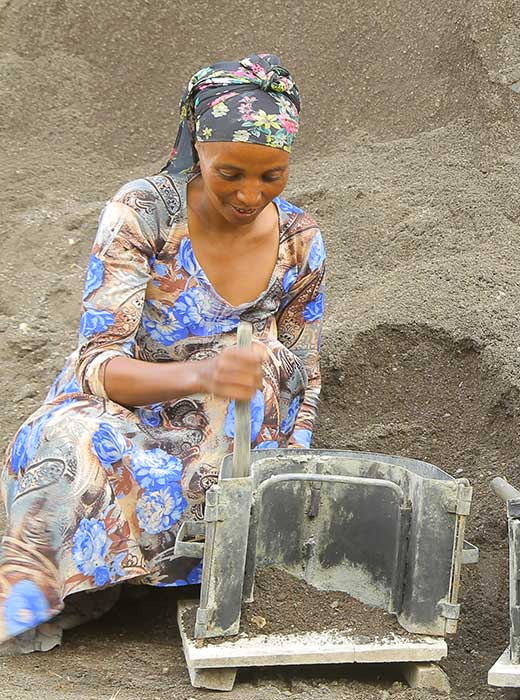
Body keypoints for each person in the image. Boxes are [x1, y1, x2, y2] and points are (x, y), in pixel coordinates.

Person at [1, 53, 325, 654]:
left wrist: (292, 467)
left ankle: (189, 567)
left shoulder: (300, 240)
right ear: (196, 147)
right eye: (230, 173)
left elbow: (307, 373)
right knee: (69, 443)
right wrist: (201, 372)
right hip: (127, 411)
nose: (250, 195)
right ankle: (77, 584)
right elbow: (97, 362)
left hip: (226, 436)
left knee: (273, 366)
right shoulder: (144, 211)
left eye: (271, 176)